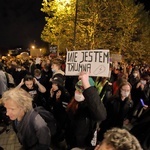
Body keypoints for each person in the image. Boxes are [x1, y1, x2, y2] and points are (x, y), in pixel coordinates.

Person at [66, 72, 107, 149]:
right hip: (71, 141)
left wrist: (86, 85)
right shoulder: (73, 101)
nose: (79, 92)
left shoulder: (91, 106)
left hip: (83, 145)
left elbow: (101, 115)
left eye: (83, 90)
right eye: (78, 89)